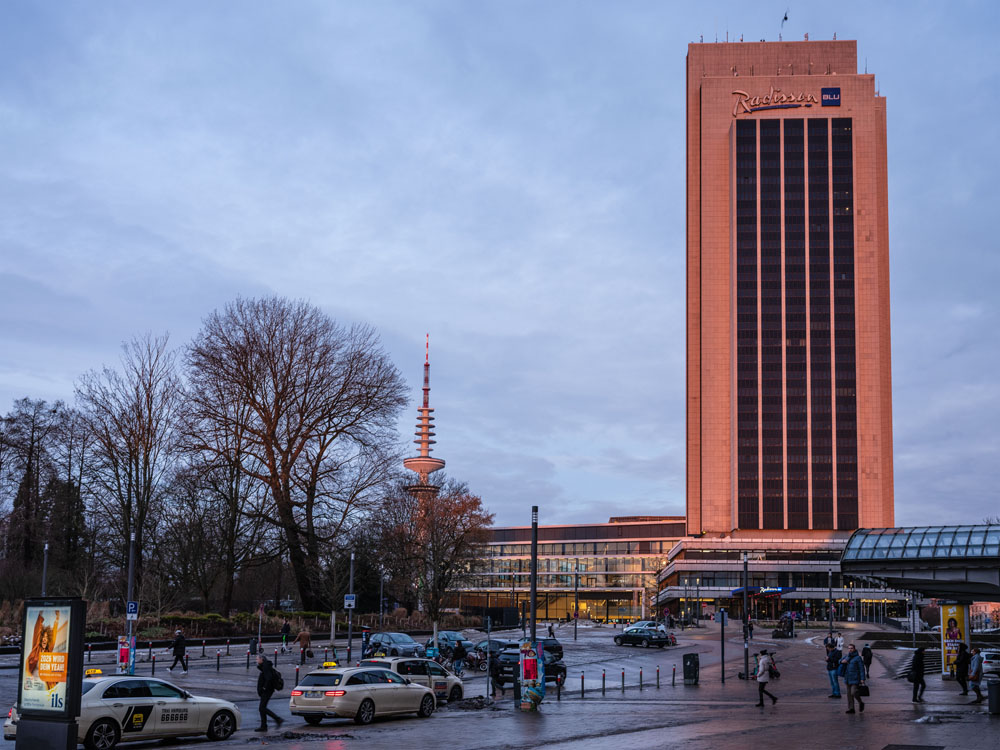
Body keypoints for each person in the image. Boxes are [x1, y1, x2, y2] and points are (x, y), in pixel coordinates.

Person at [255, 654, 283, 732]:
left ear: (262, 659)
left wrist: (264, 688)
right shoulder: (264, 666)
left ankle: (278, 719)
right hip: (267, 690)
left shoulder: (266, 666)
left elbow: (269, 678)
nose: (256, 660)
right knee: (262, 708)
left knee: (262, 708)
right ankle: (264, 726)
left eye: (257, 659)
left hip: (267, 691)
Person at [842, 644, 866, 714]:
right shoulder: (847, 656)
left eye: (851, 648)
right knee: (849, 695)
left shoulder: (858, 658)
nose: (850, 650)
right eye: (849, 648)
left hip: (855, 678)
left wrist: (862, 679)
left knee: (854, 692)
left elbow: (862, 669)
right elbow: (840, 661)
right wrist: (842, 661)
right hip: (847, 678)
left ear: (854, 649)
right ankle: (851, 709)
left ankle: (860, 702)